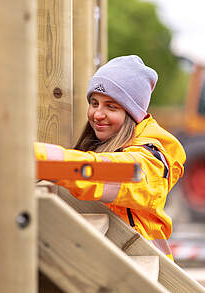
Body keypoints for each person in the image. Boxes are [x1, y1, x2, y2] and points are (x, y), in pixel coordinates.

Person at [35, 55, 186, 260]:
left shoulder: (151, 161)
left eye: (111, 106)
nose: (97, 114)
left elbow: (113, 173)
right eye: (94, 103)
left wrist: (41, 161)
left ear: (133, 114)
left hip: (141, 274)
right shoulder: (103, 144)